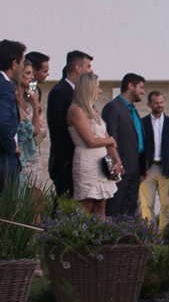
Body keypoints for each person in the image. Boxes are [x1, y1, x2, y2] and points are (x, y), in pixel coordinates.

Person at [66, 73, 120, 215]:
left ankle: (101, 230)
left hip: (101, 163)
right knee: (86, 207)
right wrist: (111, 140)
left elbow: (105, 136)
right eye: (98, 87)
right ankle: (81, 230)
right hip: (87, 163)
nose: (100, 91)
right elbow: (90, 141)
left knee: (100, 208)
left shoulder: (92, 110)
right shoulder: (76, 110)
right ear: (88, 88)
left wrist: (118, 162)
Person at [47, 50, 92, 198]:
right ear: (78, 68)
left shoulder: (80, 93)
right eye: (88, 66)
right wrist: (64, 160)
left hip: (81, 160)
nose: (91, 70)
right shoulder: (59, 92)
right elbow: (57, 129)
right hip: (67, 161)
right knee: (65, 202)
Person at [101, 73, 147, 218]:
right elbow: (110, 138)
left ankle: (128, 232)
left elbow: (138, 138)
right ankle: (112, 232)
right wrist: (117, 163)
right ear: (130, 86)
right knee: (114, 208)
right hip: (120, 168)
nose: (143, 92)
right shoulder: (112, 107)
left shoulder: (133, 110)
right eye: (141, 87)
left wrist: (143, 165)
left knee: (130, 209)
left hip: (135, 168)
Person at [139, 91, 169, 230]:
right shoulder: (142, 123)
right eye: (156, 103)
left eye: (161, 102)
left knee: (167, 204)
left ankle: (164, 235)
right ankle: (149, 235)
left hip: (167, 169)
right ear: (149, 104)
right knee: (147, 204)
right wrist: (140, 167)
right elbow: (138, 147)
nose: (159, 105)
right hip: (148, 169)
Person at [16, 59, 47, 188]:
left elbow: (41, 135)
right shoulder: (14, 102)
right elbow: (34, 130)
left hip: (35, 156)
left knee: (37, 195)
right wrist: (35, 102)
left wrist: (34, 102)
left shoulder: (30, 101)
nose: (32, 77)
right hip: (23, 156)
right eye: (28, 73)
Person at [0, 40, 25, 193]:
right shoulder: (5, 85)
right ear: (14, 63)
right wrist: (12, 147)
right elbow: (3, 120)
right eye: (22, 63)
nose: (23, 68)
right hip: (4, 155)